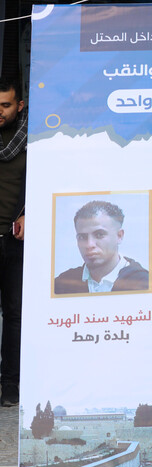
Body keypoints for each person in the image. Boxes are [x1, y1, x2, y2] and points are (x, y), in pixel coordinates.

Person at [54, 200, 149, 294]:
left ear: (119, 236)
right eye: (82, 237)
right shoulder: (61, 284)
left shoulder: (143, 283)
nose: (89, 245)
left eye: (99, 235)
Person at [0, 78, 26, 407]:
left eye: (6, 105)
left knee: (14, 315)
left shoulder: (31, 140)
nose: (0, 112)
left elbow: (44, 181)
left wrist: (28, 214)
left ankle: (9, 385)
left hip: (12, 240)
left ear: (19, 105)